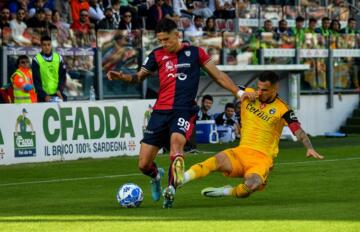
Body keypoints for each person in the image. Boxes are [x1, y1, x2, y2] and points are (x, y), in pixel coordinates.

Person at [107, 18, 255, 208]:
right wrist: (122, 77)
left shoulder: (195, 53)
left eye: (166, 39)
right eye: (160, 40)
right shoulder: (156, 55)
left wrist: (239, 92)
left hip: (184, 110)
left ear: (177, 35)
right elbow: (137, 77)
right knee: (143, 165)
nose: (163, 44)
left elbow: (218, 75)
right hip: (160, 112)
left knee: (176, 144)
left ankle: (171, 189)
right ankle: (156, 176)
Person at [179, 71, 324, 200]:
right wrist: (242, 93)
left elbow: (297, 130)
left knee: (250, 187)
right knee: (213, 161)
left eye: (265, 90)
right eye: (258, 88)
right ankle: (180, 178)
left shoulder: (283, 109)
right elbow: (222, 80)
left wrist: (309, 147)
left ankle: (226, 192)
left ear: (275, 88)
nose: (260, 92)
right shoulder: (247, 93)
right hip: (241, 152)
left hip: (262, 159)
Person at [33, 35, 67, 102]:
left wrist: (59, 90)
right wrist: (44, 95)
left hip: (58, 95)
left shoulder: (58, 58)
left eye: (49, 44)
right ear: (41, 46)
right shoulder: (36, 60)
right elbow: (36, 80)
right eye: (44, 45)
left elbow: (63, 77)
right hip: (43, 97)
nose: (47, 47)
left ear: (51, 45)